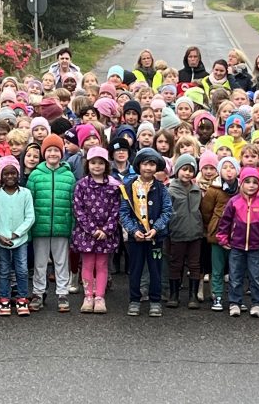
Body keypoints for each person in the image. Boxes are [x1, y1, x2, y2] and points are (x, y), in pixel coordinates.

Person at [119, 148, 172, 318]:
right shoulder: (128, 188)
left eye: (152, 164)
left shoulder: (161, 188)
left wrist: (156, 228)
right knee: (135, 270)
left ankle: (155, 301)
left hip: (156, 238)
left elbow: (167, 211)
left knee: (155, 269)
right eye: (144, 164)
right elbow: (123, 213)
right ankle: (134, 300)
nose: (148, 168)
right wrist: (133, 230)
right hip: (136, 239)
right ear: (138, 165)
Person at [27, 134, 76, 313]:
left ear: (61, 153)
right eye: (49, 150)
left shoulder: (69, 176)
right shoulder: (35, 175)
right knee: (40, 263)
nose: (53, 154)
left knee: (61, 262)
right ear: (44, 153)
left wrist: (72, 226)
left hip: (61, 226)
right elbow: (30, 202)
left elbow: (73, 203)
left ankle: (62, 293)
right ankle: (38, 293)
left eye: (56, 150)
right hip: (40, 226)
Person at [216, 167, 259, 317]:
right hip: (236, 246)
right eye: (248, 182)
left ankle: (257, 303)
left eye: (255, 182)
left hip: (255, 247)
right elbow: (225, 222)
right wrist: (222, 238)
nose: (251, 185)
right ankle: (235, 302)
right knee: (235, 276)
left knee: (255, 277)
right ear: (241, 183)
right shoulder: (233, 202)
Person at [72, 146, 121, 314]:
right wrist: (92, 229)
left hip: (106, 233)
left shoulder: (114, 186)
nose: (97, 166)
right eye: (93, 163)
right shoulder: (81, 185)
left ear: (106, 165)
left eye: (101, 163)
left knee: (101, 264)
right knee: (87, 263)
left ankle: (100, 297)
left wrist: (107, 229)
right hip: (87, 233)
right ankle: (88, 296)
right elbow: (78, 210)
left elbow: (117, 209)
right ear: (88, 164)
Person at [0, 156, 35, 317]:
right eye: (6, 174)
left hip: (20, 239)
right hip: (1, 239)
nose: (10, 177)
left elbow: (30, 217)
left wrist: (18, 233)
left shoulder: (26, 194)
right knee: (3, 270)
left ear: (18, 175)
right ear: (1, 176)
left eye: (13, 173)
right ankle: (4, 299)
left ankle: (22, 298)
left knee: (22, 269)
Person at [201, 156, 240, 311]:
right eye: (225, 167)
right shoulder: (213, 190)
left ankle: (235, 297)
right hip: (218, 234)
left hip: (238, 234)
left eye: (232, 167)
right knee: (217, 268)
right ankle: (217, 295)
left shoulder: (242, 188)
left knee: (236, 269)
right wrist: (211, 227)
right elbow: (206, 212)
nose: (229, 171)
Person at [167, 154, 203, 309]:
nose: (187, 173)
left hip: (195, 233)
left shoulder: (197, 190)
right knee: (176, 264)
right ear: (177, 170)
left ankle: (193, 295)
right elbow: (167, 211)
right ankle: (174, 295)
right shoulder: (170, 190)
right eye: (184, 169)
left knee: (194, 265)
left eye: (190, 170)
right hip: (177, 232)